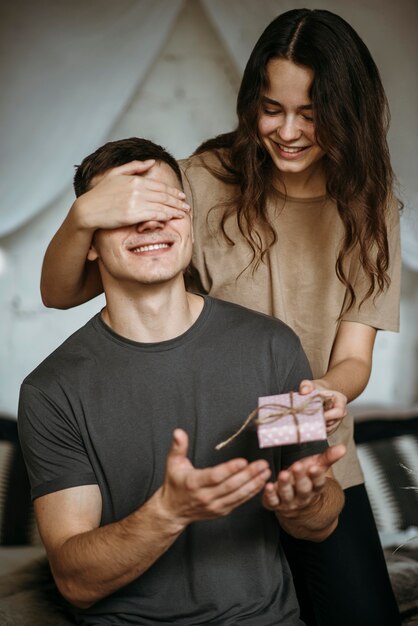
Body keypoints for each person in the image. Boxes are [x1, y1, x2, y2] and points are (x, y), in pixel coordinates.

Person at [39, 9, 402, 626]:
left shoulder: (372, 208)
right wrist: (83, 217)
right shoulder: (201, 182)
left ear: (349, 114)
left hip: (308, 437)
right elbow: (62, 292)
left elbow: (353, 361)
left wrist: (314, 400)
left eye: (311, 115)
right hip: (213, 445)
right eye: (271, 108)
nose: (287, 131)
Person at [19, 138, 346, 626]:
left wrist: (307, 501)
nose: (151, 222)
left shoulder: (271, 348)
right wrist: (168, 512)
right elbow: (75, 581)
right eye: (125, 210)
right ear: (88, 240)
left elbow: (321, 521)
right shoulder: (52, 390)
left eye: (167, 205)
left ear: (189, 221)